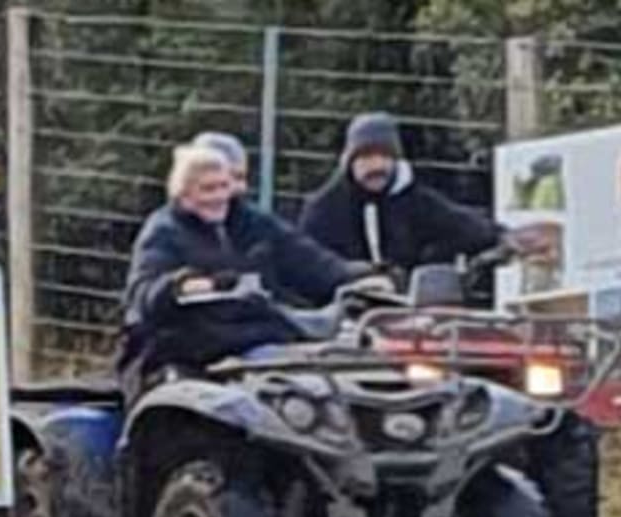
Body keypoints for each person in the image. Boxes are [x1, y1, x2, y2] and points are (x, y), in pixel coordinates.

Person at [117, 144, 369, 400]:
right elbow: (142, 293)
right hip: (185, 345)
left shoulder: (252, 222)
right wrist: (177, 287)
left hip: (253, 335)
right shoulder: (164, 231)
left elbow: (308, 259)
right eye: (207, 189)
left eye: (223, 186)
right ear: (183, 194)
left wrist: (360, 278)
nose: (218, 197)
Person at [298, 111, 506, 270]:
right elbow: (307, 266)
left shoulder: (415, 200)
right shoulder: (323, 210)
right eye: (365, 157)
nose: (376, 166)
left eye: (384, 156)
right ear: (349, 162)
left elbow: (465, 226)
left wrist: (503, 237)